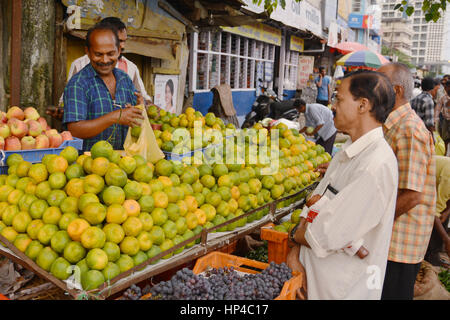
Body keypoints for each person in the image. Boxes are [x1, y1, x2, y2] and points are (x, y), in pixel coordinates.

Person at [286, 70, 398, 300]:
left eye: (339, 98)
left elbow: (326, 233)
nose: (332, 106)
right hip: (315, 282)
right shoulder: (348, 151)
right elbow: (312, 205)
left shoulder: (375, 165)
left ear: (363, 105)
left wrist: (295, 236)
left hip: (340, 290)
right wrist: (296, 250)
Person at [378, 62, 436, 300]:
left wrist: (375, 222)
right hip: (390, 240)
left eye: (379, 85)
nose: (373, 91)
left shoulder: (409, 130)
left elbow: (412, 195)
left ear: (398, 91)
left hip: (400, 243)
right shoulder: (394, 125)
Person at [49, 17, 152, 120]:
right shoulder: (79, 67)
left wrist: (142, 106)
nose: (123, 45)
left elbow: (142, 99)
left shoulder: (129, 70)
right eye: (119, 40)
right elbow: (66, 104)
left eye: (124, 41)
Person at [63, 23, 144, 151]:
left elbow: (134, 116)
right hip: (90, 166)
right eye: (98, 54)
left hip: (124, 163)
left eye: (111, 53)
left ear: (118, 51)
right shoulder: (78, 84)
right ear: (88, 52)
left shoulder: (125, 79)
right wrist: (114, 117)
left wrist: (140, 107)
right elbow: (75, 130)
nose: (105, 60)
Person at [424, 155, 450, 266]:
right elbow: (433, 212)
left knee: (443, 215)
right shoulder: (448, 178)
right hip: (422, 181)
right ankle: (430, 255)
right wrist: (446, 239)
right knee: (435, 218)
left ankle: (434, 252)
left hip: (437, 182)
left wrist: (447, 211)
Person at [435, 78, 450, 156]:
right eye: (447, 87)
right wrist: (435, 120)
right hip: (445, 121)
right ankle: (444, 155)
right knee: (445, 139)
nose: (448, 89)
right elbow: (437, 109)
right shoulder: (443, 98)